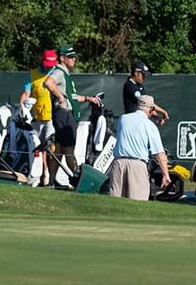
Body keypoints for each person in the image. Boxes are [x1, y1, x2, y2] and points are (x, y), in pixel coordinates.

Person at [43, 45, 103, 180]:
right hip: (64, 114)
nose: (74, 59)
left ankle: (51, 181)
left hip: (63, 114)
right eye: (70, 57)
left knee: (59, 149)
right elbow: (48, 83)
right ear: (62, 58)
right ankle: (78, 179)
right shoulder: (59, 72)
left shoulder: (66, 74)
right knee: (69, 148)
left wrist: (88, 98)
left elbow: (72, 96)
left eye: (74, 57)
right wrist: (59, 96)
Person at [109, 94, 171, 200]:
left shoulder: (122, 119)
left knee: (115, 203)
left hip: (118, 164)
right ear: (151, 109)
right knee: (137, 204)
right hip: (137, 166)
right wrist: (166, 174)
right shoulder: (150, 125)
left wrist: (153, 114)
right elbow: (160, 154)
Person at [27, 50, 57, 184]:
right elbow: (26, 92)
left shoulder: (56, 73)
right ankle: (43, 174)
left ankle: (51, 175)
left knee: (51, 148)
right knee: (40, 148)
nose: (49, 67)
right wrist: (23, 105)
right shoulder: (33, 74)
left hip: (52, 118)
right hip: (38, 118)